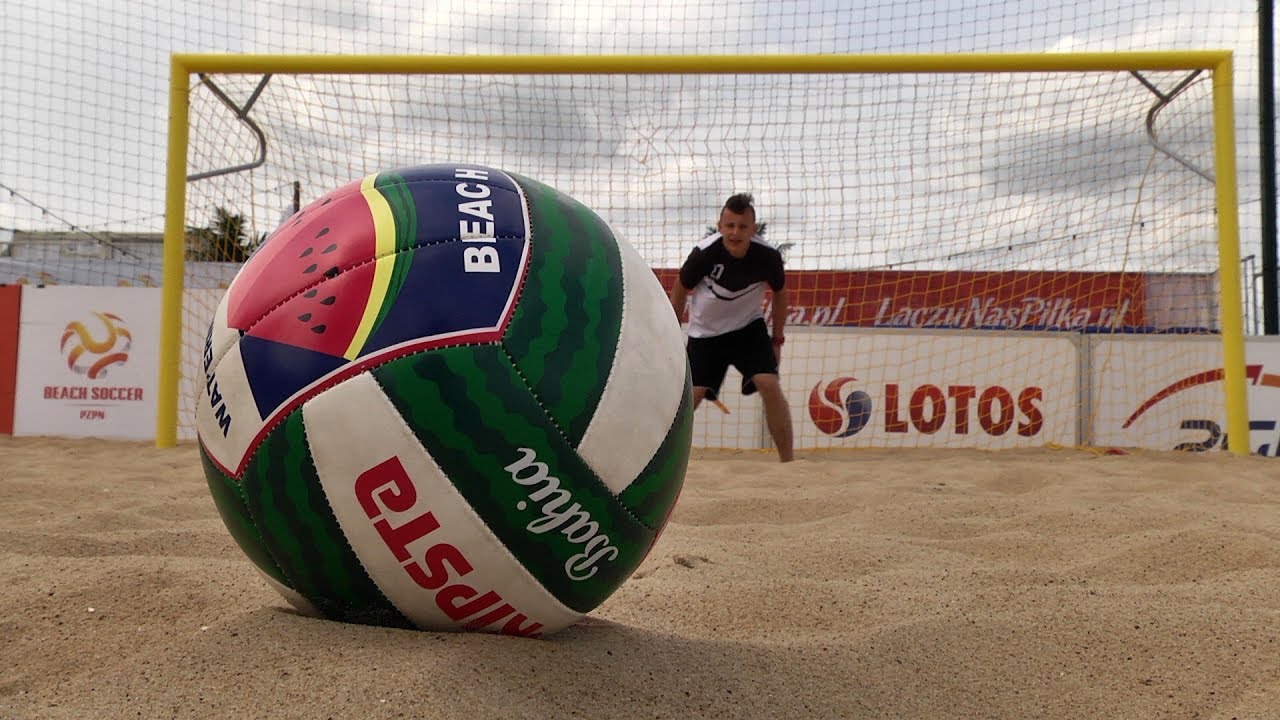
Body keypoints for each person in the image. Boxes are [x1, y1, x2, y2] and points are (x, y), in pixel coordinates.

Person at [670, 193, 794, 462]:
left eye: (742, 226)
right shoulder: (704, 253)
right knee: (691, 397)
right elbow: (680, 288)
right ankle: (665, 458)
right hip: (705, 333)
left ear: (753, 229)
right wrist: (672, 332)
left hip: (747, 329)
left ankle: (788, 461)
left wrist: (777, 340)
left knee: (769, 383)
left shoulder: (768, 256)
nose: (735, 232)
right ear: (720, 226)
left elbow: (780, 293)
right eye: (730, 225)